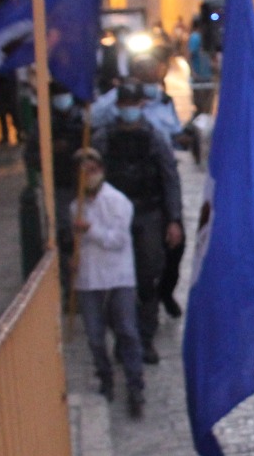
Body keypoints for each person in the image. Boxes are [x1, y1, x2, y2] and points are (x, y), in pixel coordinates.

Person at [101, 81, 184, 362]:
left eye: (133, 106)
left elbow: (170, 179)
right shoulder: (104, 139)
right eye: (124, 106)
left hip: (148, 216)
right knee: (116, 282)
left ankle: (145, 338)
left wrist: (174, 219)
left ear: (141, 106)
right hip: (114, 219)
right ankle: (124, 338)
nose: (129, 111)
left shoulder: (154, 138)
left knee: (148, 279)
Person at [71, 148, 146, 418]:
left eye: (92, 170)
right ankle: (105, 377)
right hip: (89, 279)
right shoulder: (76, 206)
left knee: (126, 330)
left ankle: (135, 383)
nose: (88, 176)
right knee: (94, 335)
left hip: (118, 276)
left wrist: (91, 230)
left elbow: (117, 240)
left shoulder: (117, 202)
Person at [24, 82, 87, 294]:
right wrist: (51, 150)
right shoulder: (43, 124)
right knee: (65, 237)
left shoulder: (84, 120)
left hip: (85, 188)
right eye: (58, 95)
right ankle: (69, 286)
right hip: (59, 188)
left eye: (65, 93)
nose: (63, 99)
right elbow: (30, 157)